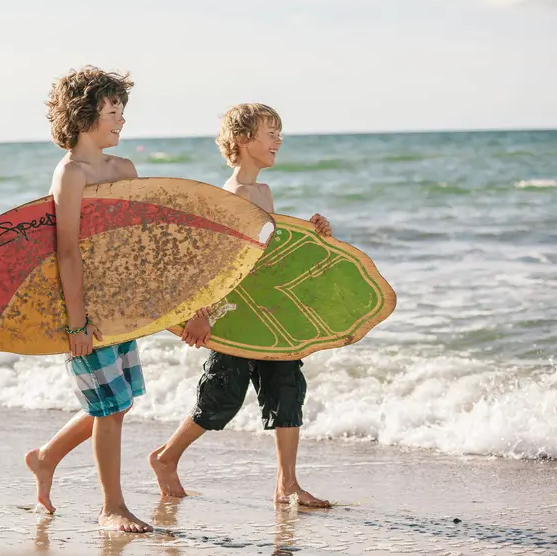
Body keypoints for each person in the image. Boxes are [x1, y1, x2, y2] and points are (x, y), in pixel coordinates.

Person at [149, 103, 333, 508]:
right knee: (222, 396)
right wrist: (197, 314)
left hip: (266, 313)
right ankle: (165, 457)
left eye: (279, 133)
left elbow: (271, 254)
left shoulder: (263, 191)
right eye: (271, 133)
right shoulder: (231, 196)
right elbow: (209, 261)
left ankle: (287, 484)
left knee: (287, 389)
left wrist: (314, 233)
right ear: (243, 140)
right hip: (231, 315)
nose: (278, 142)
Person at [24, 66, 153, 532]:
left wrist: (152, 304)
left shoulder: (125, 170)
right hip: (81, 308)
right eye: (113, 111)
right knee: (110, 407)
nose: (121, 120)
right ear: (83, 115)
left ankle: (45, 458)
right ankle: (111, 506)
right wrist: (76, 322)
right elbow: (65, 250)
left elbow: (135, 244)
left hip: (118, 307)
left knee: (118, 402)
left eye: (123, 111)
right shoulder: (70, 174)